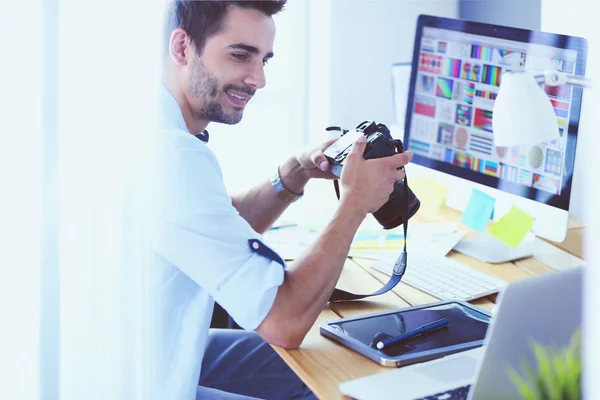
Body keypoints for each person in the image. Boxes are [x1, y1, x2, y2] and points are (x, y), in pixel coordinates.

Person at [158, 1, 413, 399]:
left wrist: (293, 173)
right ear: (182, 48)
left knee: (340, 358)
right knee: (337, 382)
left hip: (156, 347)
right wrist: (354, 205)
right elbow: (284, 322)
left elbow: (211, 228)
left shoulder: (148, 121)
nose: (257, 79)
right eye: (240, 55)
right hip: (139, 380)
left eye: (264, 59)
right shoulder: (171, 157)